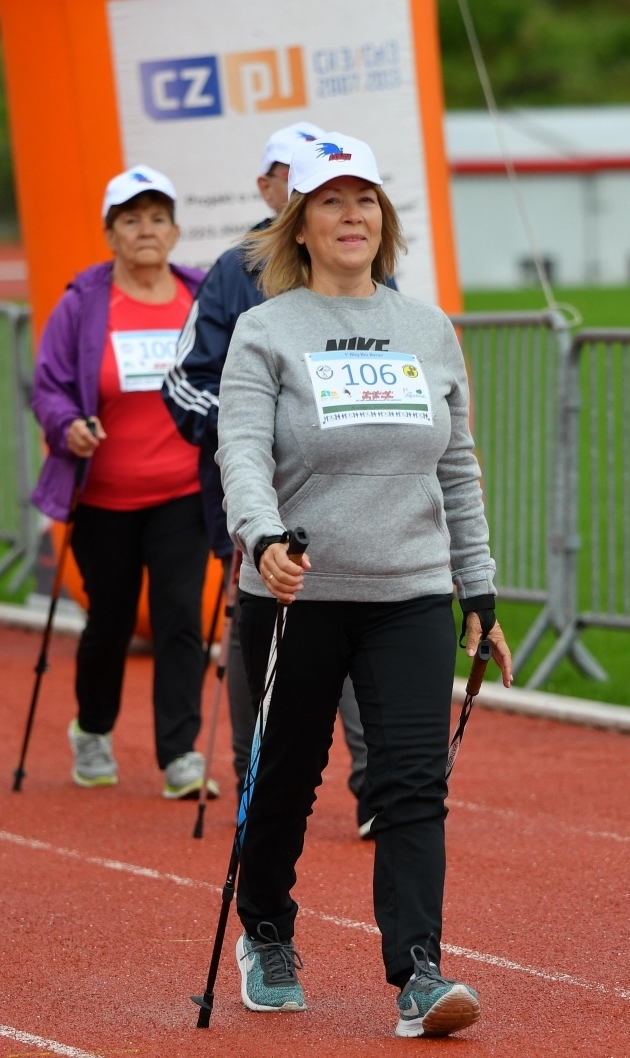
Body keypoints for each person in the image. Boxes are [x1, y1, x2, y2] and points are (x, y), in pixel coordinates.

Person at [216, 133, 512, 1038]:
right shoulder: (265, 328)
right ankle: (265, 928)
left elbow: (456, 467)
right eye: (332, 201)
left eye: (366, 200)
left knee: (413, 785)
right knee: (287, 779)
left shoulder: (428, 329)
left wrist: (479, 587)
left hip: (411, 592)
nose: (352, 215)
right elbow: (242, 453)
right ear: (298, 223)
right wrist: (261, 537)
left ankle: (418, 971)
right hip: (296, 594)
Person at [162, 121, 375, 836]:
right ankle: (258, 774)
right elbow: (184, 383)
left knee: (354, 633)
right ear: (267, 187)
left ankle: (376, 784)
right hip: (252, 500)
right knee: (263, 641)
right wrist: (256, 428)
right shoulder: (234, 270)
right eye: (293, 173)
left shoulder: (364, 265)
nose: (314, 188)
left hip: (350, 496)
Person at [30, 165, 216, 800]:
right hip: (104, 498)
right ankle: (94, 728)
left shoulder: (200, 298)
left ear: (175, 230)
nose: (146, 230)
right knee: (109, 619)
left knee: (179, 619)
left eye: (157, 217)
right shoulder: (84, 303)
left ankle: (181, 754)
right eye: (131, 219)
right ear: (110, 232)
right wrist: (67, 428)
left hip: (183, 494)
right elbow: (50, 386)